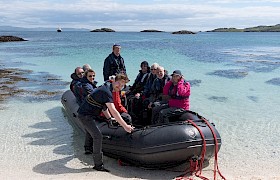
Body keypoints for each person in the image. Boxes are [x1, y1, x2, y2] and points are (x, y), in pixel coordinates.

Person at [77, 73, 134, 172]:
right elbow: (114, 111)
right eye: (119, 84)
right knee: (97, 136)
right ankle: (98, 165)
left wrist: (109, 118)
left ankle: (88, 149)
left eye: (122, 86)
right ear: (114, 81)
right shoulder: (106, 91)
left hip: (90, 114)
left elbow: (103, 106)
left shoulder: (108, 87)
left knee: (92, 131)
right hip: (85, 115)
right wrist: (125, 126)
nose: (119, 88)